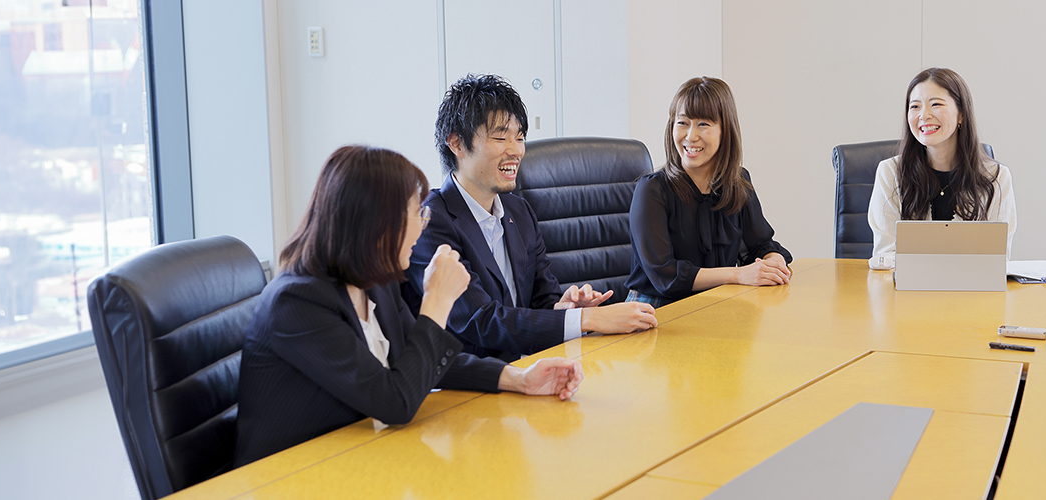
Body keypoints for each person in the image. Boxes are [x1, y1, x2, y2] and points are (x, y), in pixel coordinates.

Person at [234, 145, 584, 467]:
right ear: (374, 224)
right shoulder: (297, 302)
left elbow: (422, 360)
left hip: (363, 457)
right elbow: (394, 402)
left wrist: (518, 379)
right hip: (295, 475)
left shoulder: (375, 281)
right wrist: (436, 302)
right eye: (416, 214)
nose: (422, 227)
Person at [405, 74, 657, 362]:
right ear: (457, 144)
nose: (516, 150)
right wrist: (586, 320)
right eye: (500, 137)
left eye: (520, 137)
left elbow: (542, 300)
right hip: (474, 379)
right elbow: (480, 321)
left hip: (534, 369)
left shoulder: (519, 211)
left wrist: (565, 310)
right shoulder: (430, 220)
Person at [625, 76, 793, 307]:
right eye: (682, 123)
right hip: (654, 308)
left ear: (726, 130)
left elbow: (760, 244)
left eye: (703, 124)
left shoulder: (737, 182)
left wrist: (773, 261)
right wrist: (738, 274)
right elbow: (666, 275)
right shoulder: (652, 189)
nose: (690, 136)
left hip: (713, 303)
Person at [867, 67, 1017, 270]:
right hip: (906, 287)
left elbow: (997, 260)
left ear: (961, 114)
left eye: (935, 104)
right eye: (915, 106)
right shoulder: (890, 173)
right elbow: (886, 254)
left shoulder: (996, 177)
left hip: (972, 287)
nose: (923, 115)